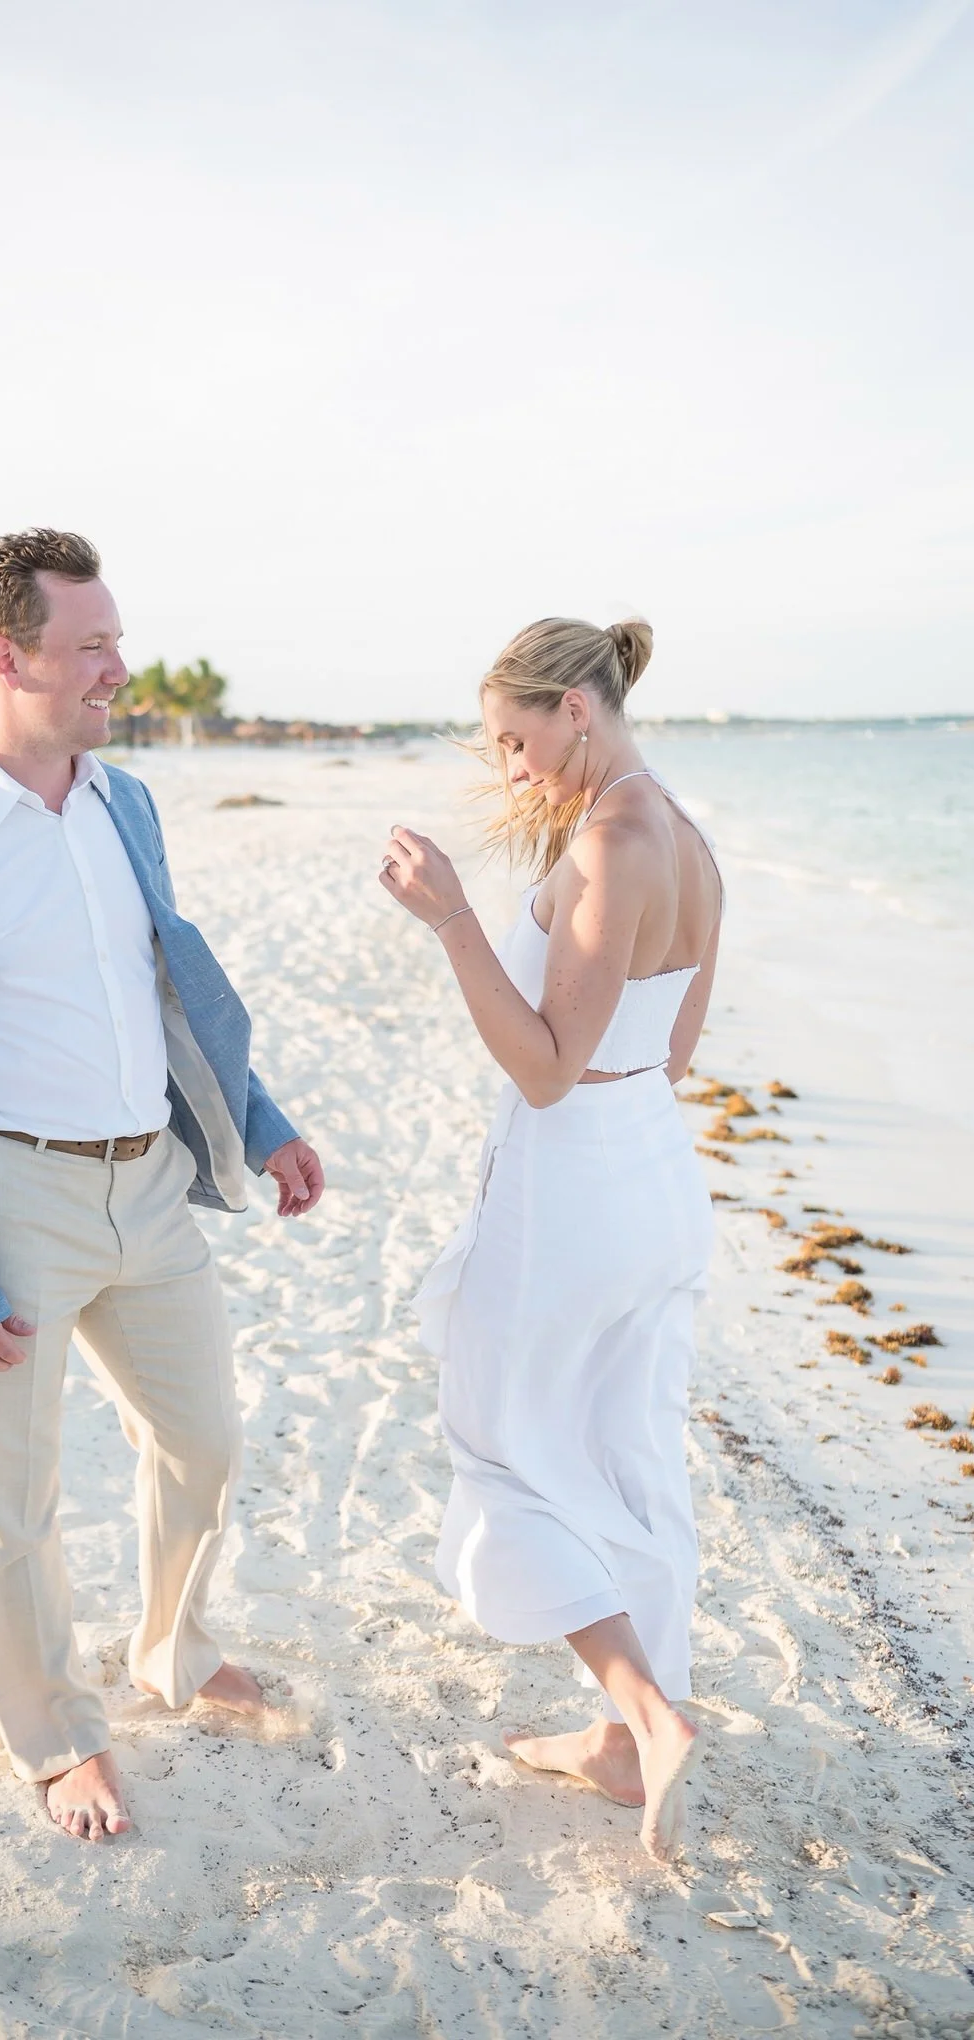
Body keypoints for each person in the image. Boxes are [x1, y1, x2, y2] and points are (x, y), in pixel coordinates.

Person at [0, 527, 324, 1843]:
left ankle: (172, 1650)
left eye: (115, 637)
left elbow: (164, 990)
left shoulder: (125, 803)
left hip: (150, 1187)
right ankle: (54, 1738)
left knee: (205, 1445)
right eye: (93, 643)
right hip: (12, 1202)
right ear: (7, 655)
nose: (121, 664)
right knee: (12, 1500)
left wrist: (258, 1123)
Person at [378, 616, 720, 1861]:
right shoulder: (687, 835)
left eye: (517, 742)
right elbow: (670, 1052)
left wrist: (456, 923)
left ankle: (646, 1712)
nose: (512, 770)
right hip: (659, 1188)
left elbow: (545, 1073)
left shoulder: (613, 843)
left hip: (567, 1198)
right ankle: (624, 1749)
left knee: (501, 1450)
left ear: (578, 706)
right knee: (631, 1461)